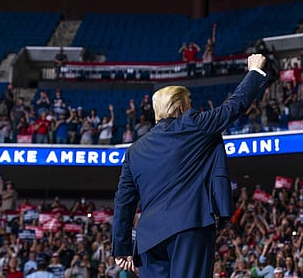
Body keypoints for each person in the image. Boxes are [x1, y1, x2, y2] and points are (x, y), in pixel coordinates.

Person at [112, 54, 268, 277]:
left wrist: (122, 247)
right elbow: (233, 108)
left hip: (148, 240)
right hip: (189, 227)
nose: (192, 108)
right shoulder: (192, 124)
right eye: (189, 104)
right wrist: (254, 71)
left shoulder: (134, 150)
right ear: (180, 107)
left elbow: (123, 201)